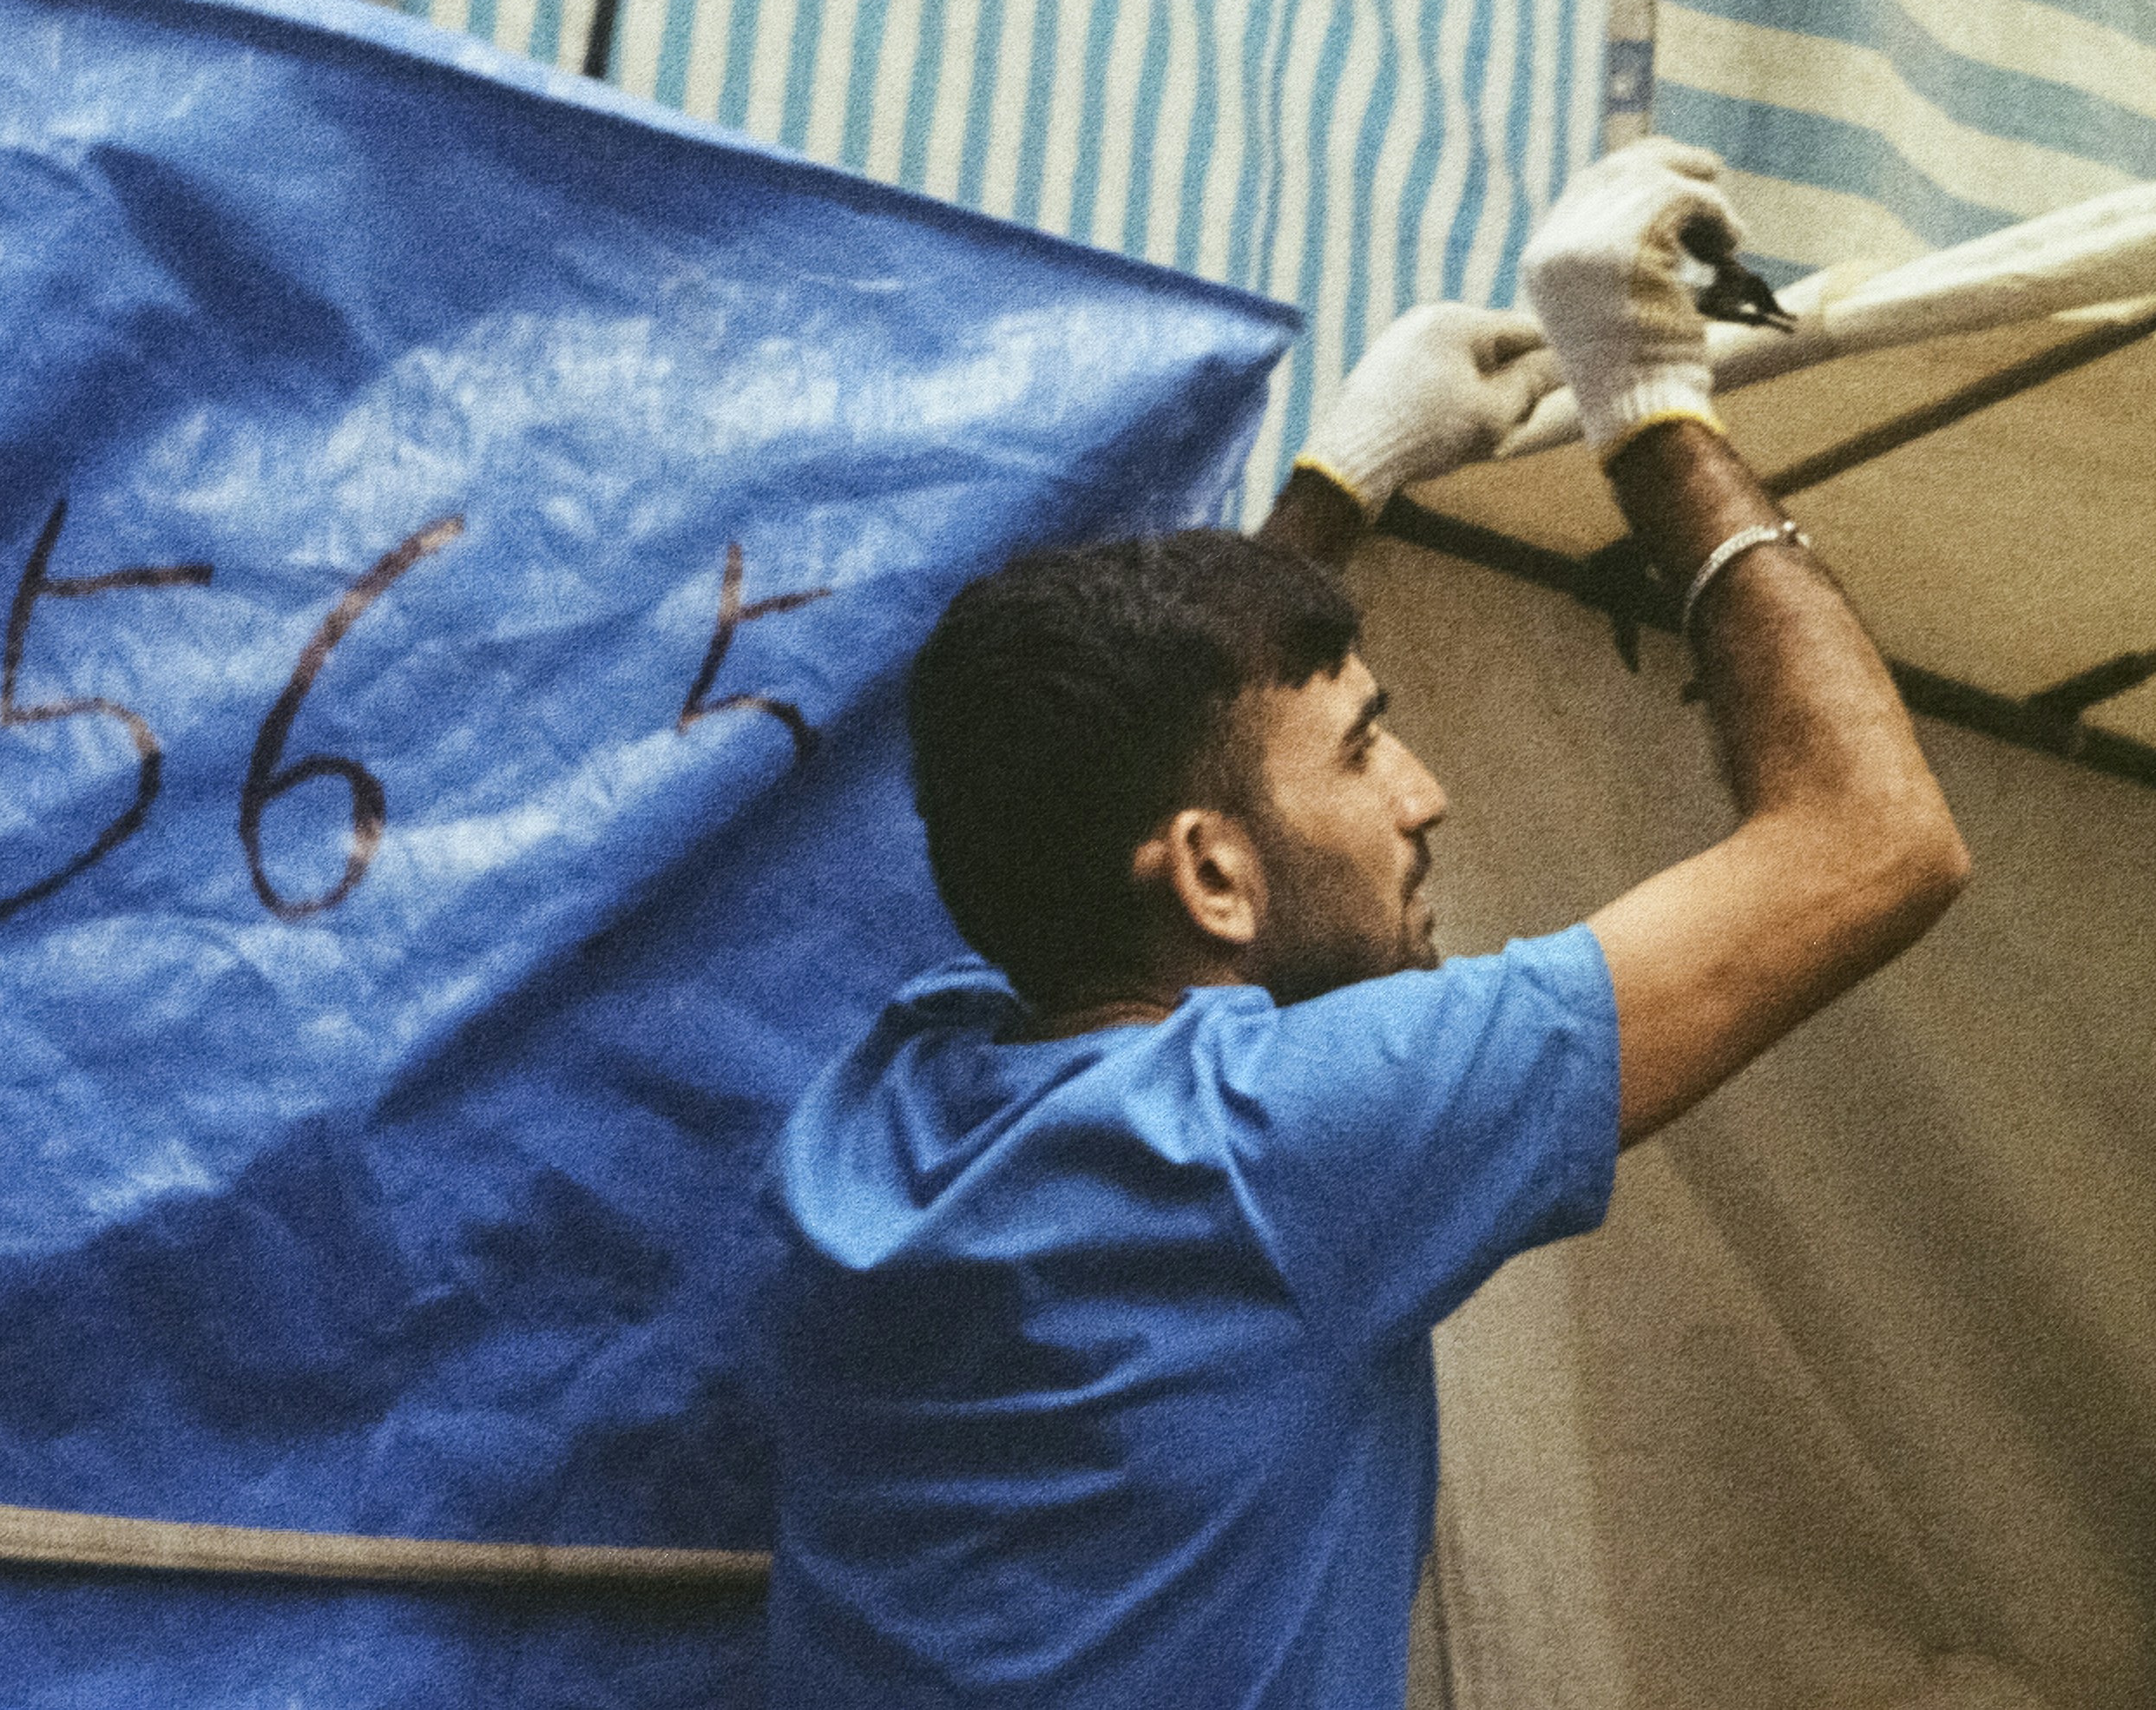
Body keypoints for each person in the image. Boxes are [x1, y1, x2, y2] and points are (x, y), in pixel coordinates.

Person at [759, 139, 1970, 1707]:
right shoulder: (1272, 1143)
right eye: (1364, 748)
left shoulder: (883, 1108)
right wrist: (1650, 401)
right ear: (1209, 878)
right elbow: (1876, 836)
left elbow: (1142, 772)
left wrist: (1340, 484)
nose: (1425, 794)